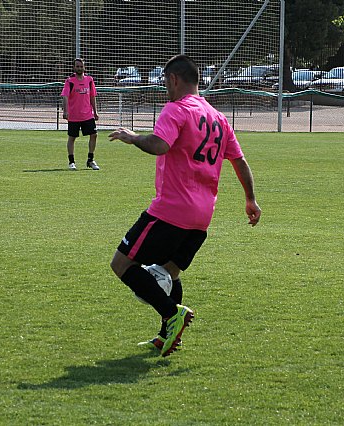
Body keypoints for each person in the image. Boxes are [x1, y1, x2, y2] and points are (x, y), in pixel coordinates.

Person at [108, 55, 261, 357]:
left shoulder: (176, 109)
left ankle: (171, 314)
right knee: (171, 273)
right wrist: (250, 199)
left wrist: (133, 137)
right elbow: (239, 160)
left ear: (175, 79)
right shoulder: (218, 117)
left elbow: (160, 145)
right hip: (202, 217)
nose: (165, 87)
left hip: (171, 210)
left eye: (166, 81)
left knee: (121, 264)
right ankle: (168, 337)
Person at [61, 58, 100, 171]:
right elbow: (65, 96)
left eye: (81, 66)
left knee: (94, 135)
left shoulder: (89, 80)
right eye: (77, 66)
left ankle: (90, 160)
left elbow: (92, 96)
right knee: (72, 138)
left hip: (87, 115)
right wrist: (65, 111)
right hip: (74, 115)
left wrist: (95, 112)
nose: (79, 68)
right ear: (74, 67)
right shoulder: (70, 81)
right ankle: (71, 161)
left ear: (84, 67)